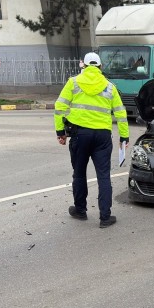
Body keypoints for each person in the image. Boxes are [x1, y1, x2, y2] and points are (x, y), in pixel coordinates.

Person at [54, 52, 129, 228]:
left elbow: (59, 107)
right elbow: (121, 113)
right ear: (101, 67)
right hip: (102, 137)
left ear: (84, 66)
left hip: (79, 135)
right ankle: (105, 217)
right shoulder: (110, 87)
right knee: (103, 176)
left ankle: (80, 210)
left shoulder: (73, 82)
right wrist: (124, 136)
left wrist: (60, 132)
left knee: (79, 173)